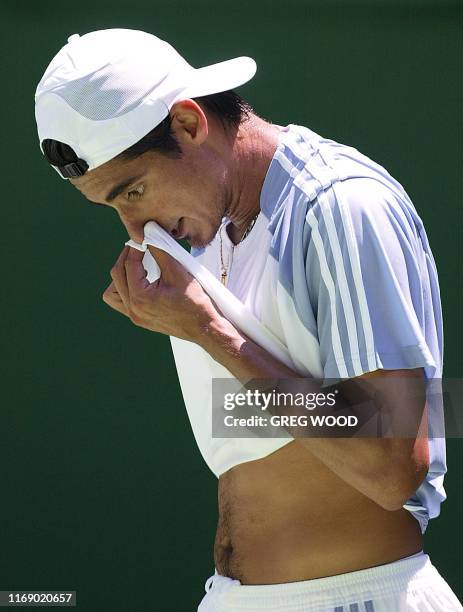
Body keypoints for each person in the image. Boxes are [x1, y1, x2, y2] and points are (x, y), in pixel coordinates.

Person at [35, 28, 462, 611]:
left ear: (189, 123)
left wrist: (211, 333)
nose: (134, 230)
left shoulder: (342, 206)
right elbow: (261, 427)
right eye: (112, 206)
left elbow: (394, 467)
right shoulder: (200, 228)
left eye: (133, 192)